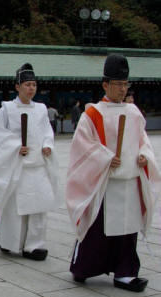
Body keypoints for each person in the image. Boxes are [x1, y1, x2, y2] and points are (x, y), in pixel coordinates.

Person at [66, 54, 161, 293]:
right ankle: (83, 267)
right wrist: (105, 158)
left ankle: (126, 273)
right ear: (105, 84)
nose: (122, 88)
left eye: (125, 84)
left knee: (128, 230)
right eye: (117, 84)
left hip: (129, 179)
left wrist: (144, 155)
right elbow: (82, 146)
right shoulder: (93, 114)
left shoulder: (134, 112)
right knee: (97, 229)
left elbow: (143, 141)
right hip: (104, 182)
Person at [0, 63, 60, 261]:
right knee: (16, 210)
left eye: (34, 84)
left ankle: (35, 245)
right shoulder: (7, 110)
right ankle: (10, 242)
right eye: (27, 84)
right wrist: (16, 147)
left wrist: (47, 145)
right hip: (18, 166)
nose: (31, 88)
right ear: (17, 87)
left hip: (38, 166)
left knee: (39, 207)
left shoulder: (42, 109)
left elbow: (47, 132)